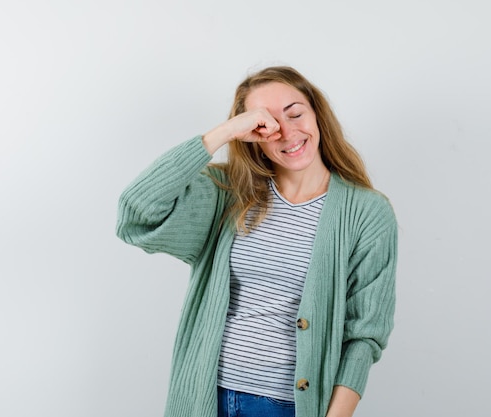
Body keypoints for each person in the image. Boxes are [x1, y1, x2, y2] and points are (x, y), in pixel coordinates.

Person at [116, 66, 397, 417]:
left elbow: (363, 335)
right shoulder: (229, 194)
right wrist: (224, 132)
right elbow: (137, 213)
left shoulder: (366, 212)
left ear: (317, 114)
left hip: (286, 406)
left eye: (295, 114)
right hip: (207, 396)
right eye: (267, 125)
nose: (287, 133)